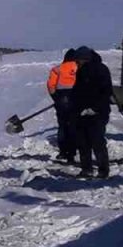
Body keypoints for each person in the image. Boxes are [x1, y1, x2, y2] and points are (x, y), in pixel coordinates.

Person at [70, 46, 113, 178]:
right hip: (82, 113)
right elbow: (78, 91)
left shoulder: (101, 70)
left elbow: (105, 92)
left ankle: (103, 170)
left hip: (98, 113)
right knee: (83, 142)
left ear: (85, 59)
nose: (76, 63)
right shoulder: (81, 71)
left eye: (78, 60)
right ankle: (86, 169)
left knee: (97, 141)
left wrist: (94, 108)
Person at [46, 49, 80, 163]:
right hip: (75, 100)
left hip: (61, 100)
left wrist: (56, 99)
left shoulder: (57, 69)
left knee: (62, 126)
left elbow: (51, 86)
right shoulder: (79, 68)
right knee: (74, 126)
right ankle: (72, 152)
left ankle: (63, 152)